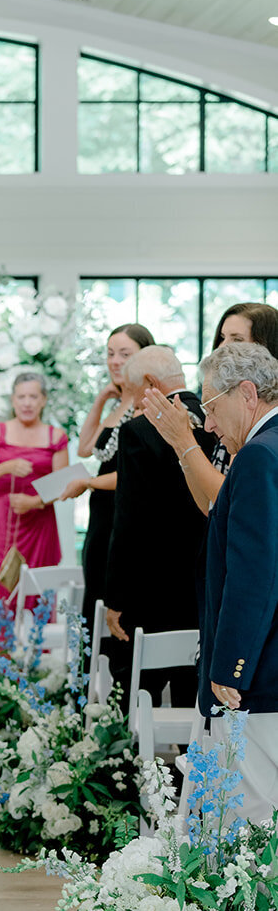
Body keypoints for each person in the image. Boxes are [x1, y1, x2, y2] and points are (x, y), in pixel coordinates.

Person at [105, 345, 214, 709]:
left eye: (134, 392)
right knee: (192, 692)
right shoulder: (216, 419)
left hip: (151, 585)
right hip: (204, 580)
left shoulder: (139, 431)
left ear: (150, 383)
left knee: (139, 691)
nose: (135, 402)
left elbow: (128, 518)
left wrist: (115, 597)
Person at [197, 341, 278, 823]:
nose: (208, 424)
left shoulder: (257, 456)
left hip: (259, 676)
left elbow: (255, 573)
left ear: (247, 394)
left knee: (248, 824)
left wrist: (230, 667)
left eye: (210, 406)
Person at [145, 301, 278, 516]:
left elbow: (232, 502)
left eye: (237, 339)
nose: (223, 347)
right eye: (222, 338)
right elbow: (209, 506)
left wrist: (185, 440)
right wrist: (179, 444)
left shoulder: (261, 428)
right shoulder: (232, 421)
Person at [63, 323, 154, 636]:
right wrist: (102, 398)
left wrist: (88, 483)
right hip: (100, 513)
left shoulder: (145, 405)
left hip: (122, 510)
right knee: (94, 586)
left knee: (114, 591)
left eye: (125, 354)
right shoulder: (118, 403)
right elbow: (85, 448)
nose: (115, 361)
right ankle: (90, 662)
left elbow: (135, 475)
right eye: (110, 353)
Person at [0, 370, 69, 645]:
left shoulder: (56, 436)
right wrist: (7, 467)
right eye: (21, 397)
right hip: (1, 519)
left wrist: (34, 502)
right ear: (13, 400)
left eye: (33, 397)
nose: (27, 403)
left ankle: (37, 658)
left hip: (40, 522)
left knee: (38, 587)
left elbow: (64, 485)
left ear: (43, 400)